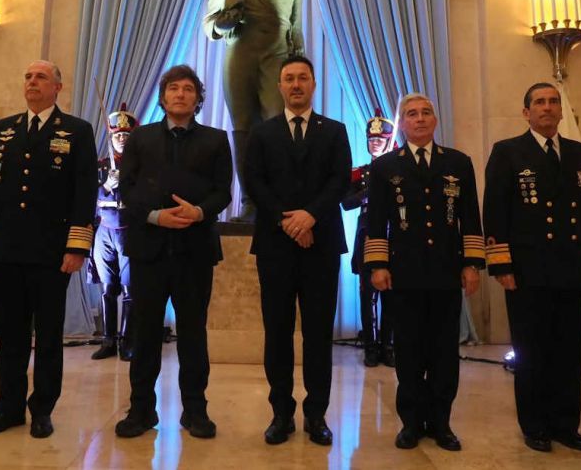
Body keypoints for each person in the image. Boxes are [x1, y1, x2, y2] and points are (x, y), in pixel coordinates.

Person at [0, 60, 97, 439]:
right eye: (27, 76)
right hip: (6, 251)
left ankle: (42, 409)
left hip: (52, 253)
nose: (32, 82)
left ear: (58, 87)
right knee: (10, 335)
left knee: (48, 337)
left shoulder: (76, 130)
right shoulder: (3, 129)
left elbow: (84, 190)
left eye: (41, 77)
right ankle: (7, 409)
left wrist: (77, 247)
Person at [113, 65, 232, 440]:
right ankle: (141, 411)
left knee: (193, 335)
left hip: (195, 251)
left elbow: (223, 192)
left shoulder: (216, 139)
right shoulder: (140, 138)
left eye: (189, 89)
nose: (181, 94)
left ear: (198, 99)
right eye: (174, 89)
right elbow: (126, 191)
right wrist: (155, 216)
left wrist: (198, 212)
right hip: (149, 250)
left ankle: (195, 411)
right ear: (163, 97)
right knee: (145, 334)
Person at [482, 82, 581, 453]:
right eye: (539, 103)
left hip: (569, 269)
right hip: (527, 270)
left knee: (568, 351)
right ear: (526, 112)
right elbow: (495, 212)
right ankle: (534, 425)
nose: (547, 108)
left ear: (561, 111)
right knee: (531, 351)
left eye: (553, 102)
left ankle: (566, 424)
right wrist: (501, 264)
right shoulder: (508, 152)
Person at [364, 93, 485, 452]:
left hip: (447, 273)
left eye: (426, 113)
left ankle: (442, 423)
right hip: (403, 274)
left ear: (435, 121)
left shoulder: (458, 163)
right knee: (410, 351)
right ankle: (411, 423)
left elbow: (470, 217)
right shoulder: (386, 166)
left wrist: (472, 264)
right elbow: (376, 221)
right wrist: (378, 265)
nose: (419, 119)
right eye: (412, 114)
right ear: (401, 124)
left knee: (445, 352)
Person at [245, 55, 351, 446]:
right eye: (288, 79)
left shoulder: (335, 131)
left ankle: (317, 415)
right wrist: (288, 221)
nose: (295, 85)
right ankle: (281, 414)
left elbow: (340, 180)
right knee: (277, 333)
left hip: (321, 245)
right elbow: (254, 182)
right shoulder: (262, 133)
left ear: (313, 84)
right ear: (279, 86)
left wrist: (309, 217)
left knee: (319, 334)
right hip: (275, 246)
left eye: (302, 78)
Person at [205, 0, 305, 220]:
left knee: (277, 126)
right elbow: (211, 24)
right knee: (244, 127)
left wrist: (298, 66)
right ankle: (250, 200)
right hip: (241, 55)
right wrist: (226, 21)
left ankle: (276, 199)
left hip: (277, 58)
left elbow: (296, 33)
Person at [341, 108, 396, 368]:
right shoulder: (360, 172)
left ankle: (388, 345)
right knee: (367, 293)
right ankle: (370, 347)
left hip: (394, 235)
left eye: (380, 139)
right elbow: (347, 203)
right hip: (367, 236)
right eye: (372, 139)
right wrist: (367, 191)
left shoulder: (399, 169)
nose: (375, 143)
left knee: (391, 294)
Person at [90, 103, 138, 361]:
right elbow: (88, 196)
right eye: (117, 135)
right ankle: (108, 340)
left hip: (128, 230)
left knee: (130, 289)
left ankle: (127, 342)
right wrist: (107, 185)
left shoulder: (141, 165)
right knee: (108, 289)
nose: (121, 139)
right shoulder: (99, 165)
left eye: (125, 135)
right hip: (104, 231)